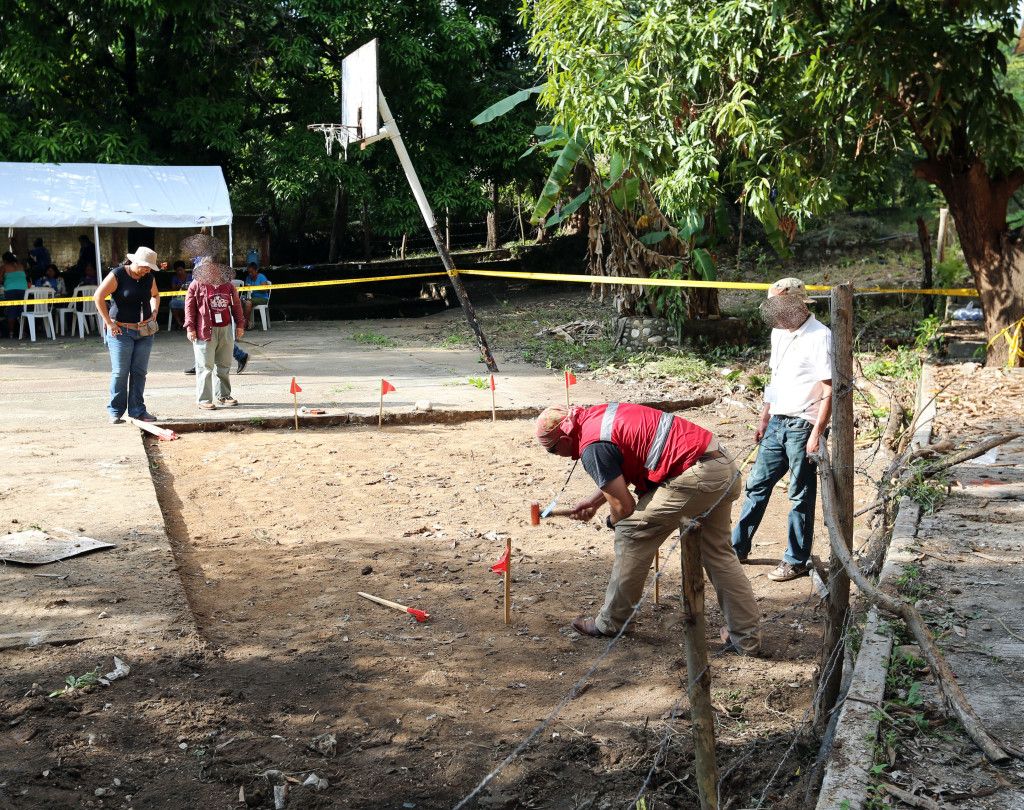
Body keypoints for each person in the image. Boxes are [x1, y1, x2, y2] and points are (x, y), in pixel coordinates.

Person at [535, 402, 762, 655]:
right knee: (718, 554)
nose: (557, 456)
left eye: (554, 450)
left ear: (565, 438)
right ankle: (746, 637)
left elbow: (624, 507)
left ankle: (612, 623)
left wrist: (611, 520)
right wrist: (594, 502)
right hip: (720, 464)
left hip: (696, 475)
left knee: (631, 531)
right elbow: (626, 461)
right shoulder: (596, 418)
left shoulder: (591, 448)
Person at [731, 278, 833, 582]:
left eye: (779, 306)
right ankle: (737, 547)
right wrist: (765, 415)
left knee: (800, 493)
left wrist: (818, 431)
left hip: (804, 423)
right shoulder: (779, 333)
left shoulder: (820, 336)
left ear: (796, 303)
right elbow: (775, 378)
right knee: (756, 485)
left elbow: (829, 387)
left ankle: (796, 559)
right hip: (777, 421)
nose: (775, 314)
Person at [94, 247, 161, 424]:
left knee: (139, 372)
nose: (147, 270)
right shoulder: (118, 275)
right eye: (145, 266)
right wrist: (109, 322)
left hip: (145, 331)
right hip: (121, 331)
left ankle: (138, 410)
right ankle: (115, 411)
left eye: (149, 267)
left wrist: (155, 311)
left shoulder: (149, 278)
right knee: (120, 372)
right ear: (134, 261)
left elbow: (155, 295)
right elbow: (98, 297)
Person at [184, 257, 244, 410]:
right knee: (205, 367)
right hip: (204, 330)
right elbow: (189, 308)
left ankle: (223, 395)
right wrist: (190, 328)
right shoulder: (195, 285)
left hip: (225, 329)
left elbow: (236, 305)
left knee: (224, 365)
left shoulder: (227, 285)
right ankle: (204, 400)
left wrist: (240, 325)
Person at [1, 252, 29, 339]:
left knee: (11, 311)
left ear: (5, 260)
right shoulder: (21, 266)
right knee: (22, 310)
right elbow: (24, 278)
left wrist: (4, 282)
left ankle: (11, 333)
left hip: (10, 290)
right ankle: (22, 332)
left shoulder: (4, 267)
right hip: (23, 290)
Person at [241, 261, 270, 329]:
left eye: (252, 272)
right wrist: (247, 287)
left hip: (262, 298)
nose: (250, 274)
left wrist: (255, 288)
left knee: (248, 303)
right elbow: (246, 289)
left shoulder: (261, 277)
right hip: (251, 298)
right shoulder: (248, 278)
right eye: (249, 272)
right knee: (240, 301)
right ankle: (248, 322)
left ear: (256, 270)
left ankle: (245, 323)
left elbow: (265, 290)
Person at [168, 261, 191, 329]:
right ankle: (179, 323)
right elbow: (173, 289)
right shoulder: (175, 278)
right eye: (177, 270)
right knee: (173, 303)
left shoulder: (191, 277)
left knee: (188, 304)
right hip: (179, 297)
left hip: (190, 297)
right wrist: (180, 286)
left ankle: (185, 322)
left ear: (184, 269)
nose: (179, 272)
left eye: (181, 270)